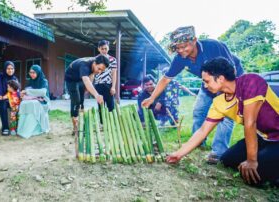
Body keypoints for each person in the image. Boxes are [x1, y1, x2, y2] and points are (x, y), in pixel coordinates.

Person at [167, 58, 279, 186]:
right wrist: (179, 154)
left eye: (206, 81)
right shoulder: (219, 102)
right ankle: (267, 157)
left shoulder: (251, 81)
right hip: (263, 137)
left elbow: (250, 123)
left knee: (256, 175)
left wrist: (252, 160)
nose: (204, 85)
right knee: (227, 160)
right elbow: (203, 130)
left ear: (220, 78)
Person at [142, 26, 244, 164]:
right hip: (208, 83)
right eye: (177, 48)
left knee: (226, 116)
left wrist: (226, 95)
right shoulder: (180, 59)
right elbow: (166, 78)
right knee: (199, 111)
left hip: (228, 81)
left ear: (194, 40)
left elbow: (231, 70)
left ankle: (218, 152)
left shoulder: (214, 46)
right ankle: (198, 143)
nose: (181, 51)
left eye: (184, 46)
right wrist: (152, 97)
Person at [65, 55, 109, 135]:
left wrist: (87, 89)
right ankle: (75, 129)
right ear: (94, 63)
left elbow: (91, 75)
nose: (99, 72)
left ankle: (81, 124)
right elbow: (86, 79)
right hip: (71, 79)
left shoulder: (94, 65)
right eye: (99, 69)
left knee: (81, 101)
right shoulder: (84, 65)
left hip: (80, 78)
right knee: (76, 101)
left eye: (101, 71)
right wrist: (96, 95)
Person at [17, 65, 50, 139]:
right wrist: (23, 93)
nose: (32, 74)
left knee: (33, 104)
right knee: (23, 103)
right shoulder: (30, 81)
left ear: (38, 73)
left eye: (34, 72)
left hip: (43, 102)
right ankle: (22, 130)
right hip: (32, 100)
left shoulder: (44, 81)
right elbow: (27, 91)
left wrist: (28, 91)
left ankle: (30, 130)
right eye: (30, 72)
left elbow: (43, 93)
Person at [0, 61, 18, 136]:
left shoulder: (15, 78)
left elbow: (17, 90)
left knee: (16, 106)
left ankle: (14, 127)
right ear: (5, 69)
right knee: (3, 105)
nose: (10, 70)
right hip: (0, 99)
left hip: (12, 99)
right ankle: (5, 128)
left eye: (12, 69)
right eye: (8, 68)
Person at [94, 40, 117, 116]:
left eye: (105, 48)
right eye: (102, 49)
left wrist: (113, 87)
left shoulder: (113, 60)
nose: (104, 50)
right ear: (98, 49)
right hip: (98, 85)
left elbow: (114, 73)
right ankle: (102, 123)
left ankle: (112, 122)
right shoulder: (94, 59)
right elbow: (92, 73)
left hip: (108, 85)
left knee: (111, 105)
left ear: (108, 48)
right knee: (100, 104)